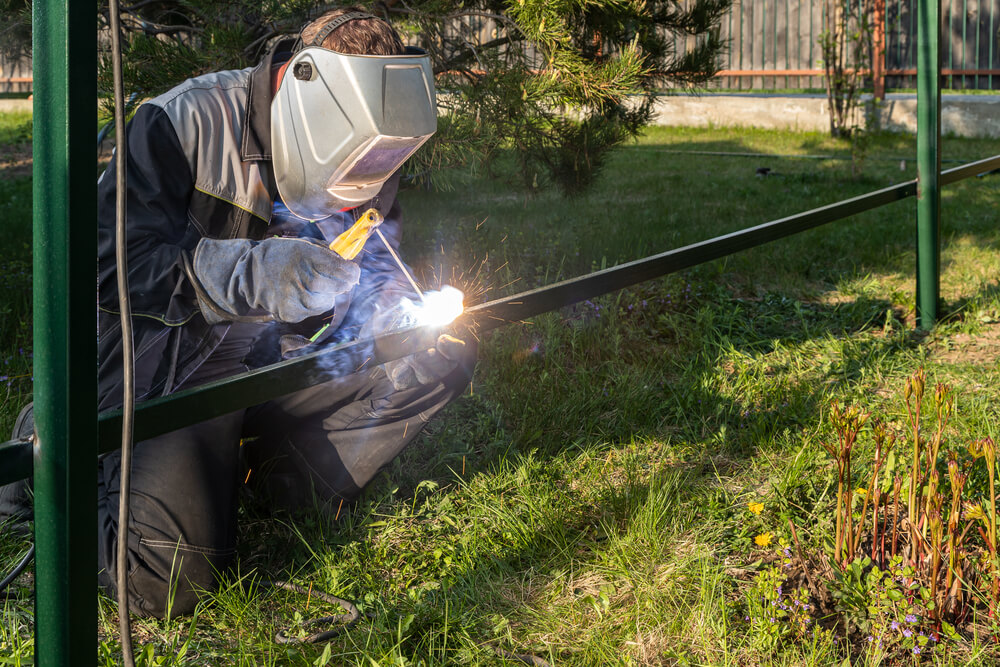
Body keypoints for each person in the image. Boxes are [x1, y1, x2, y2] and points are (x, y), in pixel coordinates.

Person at [0, 8, 475, 618]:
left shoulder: (371, 143)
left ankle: (285, 482)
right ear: (297, 93)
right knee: (165, 581)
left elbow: (377, 266)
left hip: (273, 362)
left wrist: (385, 320)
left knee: (436, 353)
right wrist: (239, 275)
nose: (367, 184)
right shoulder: (183, 122)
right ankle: (45, 463)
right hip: (167, 374)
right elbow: (105, 266)